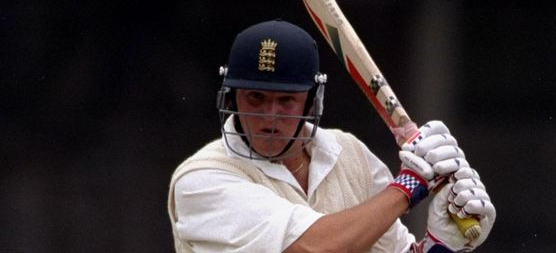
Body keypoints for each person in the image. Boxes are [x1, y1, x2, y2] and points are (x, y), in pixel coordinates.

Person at [167, 19, 496, 252]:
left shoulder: (348, 154)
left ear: (312, 100)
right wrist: (410, 185)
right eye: (255, 98)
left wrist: (441, 246)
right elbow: (315, 247)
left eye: (286, 100)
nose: (269, 117)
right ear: (232, 97)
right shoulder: (202, 179)